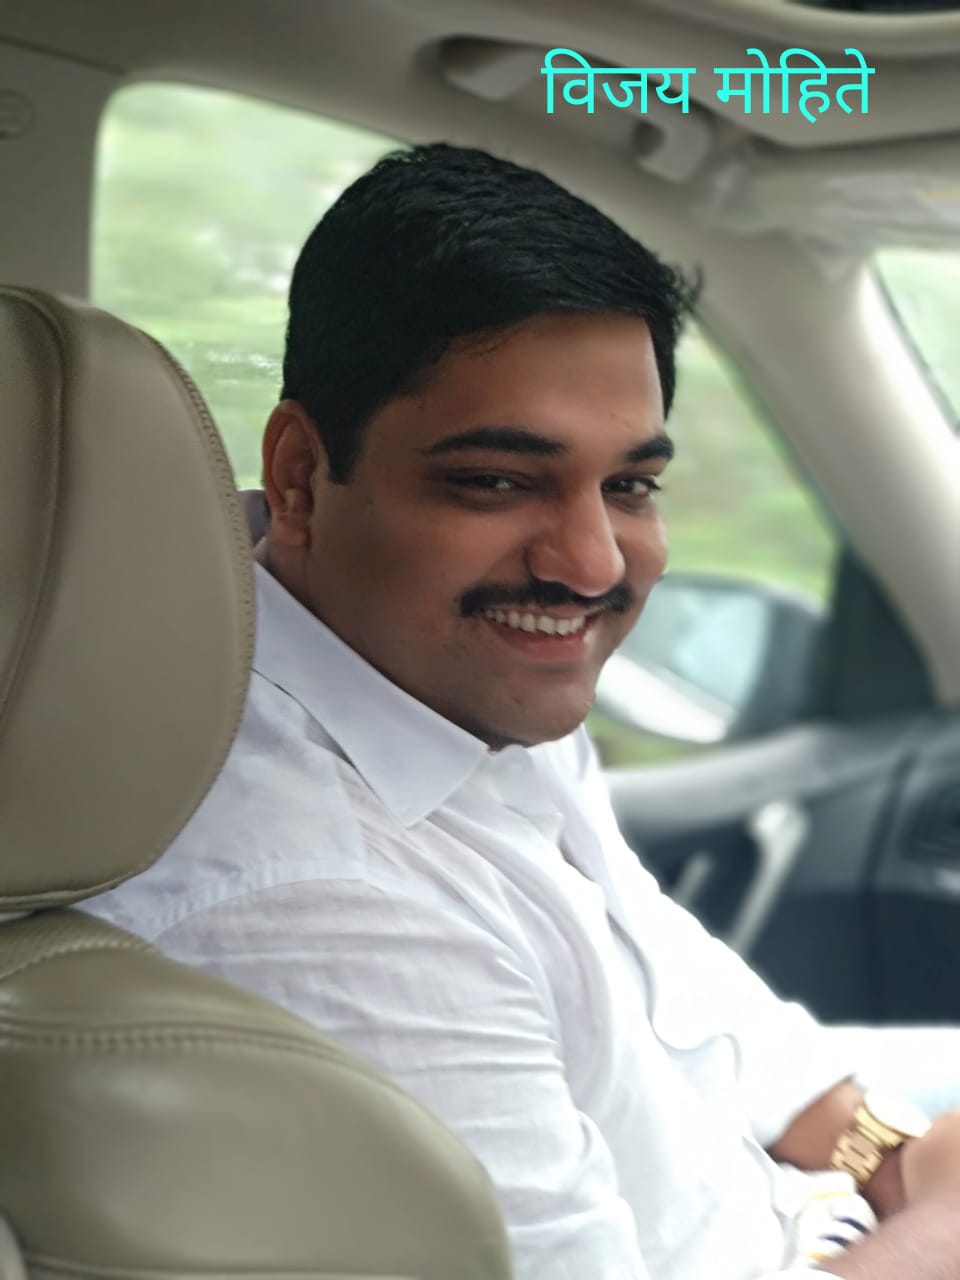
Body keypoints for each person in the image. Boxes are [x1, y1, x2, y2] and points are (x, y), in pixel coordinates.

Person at [84, 143, 960, 1279]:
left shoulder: (434, 671)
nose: (592, 564)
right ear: (298, 475)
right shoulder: (315, 901)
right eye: (497, 481)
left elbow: (672, 981)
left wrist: (890, 1157)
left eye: (630, 485)